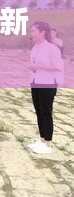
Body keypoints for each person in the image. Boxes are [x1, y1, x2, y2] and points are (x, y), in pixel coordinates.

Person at [27, 21, 64, 155]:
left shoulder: (52, 48)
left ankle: (48, 143)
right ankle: (42, 140)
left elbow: (59, 67)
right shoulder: (36, 47)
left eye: (33, 31)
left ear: (42, 32)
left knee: (46, 112)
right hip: (35, 82)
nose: (31, 34)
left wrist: (40, 67)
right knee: (39, 111)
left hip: (48, 84)